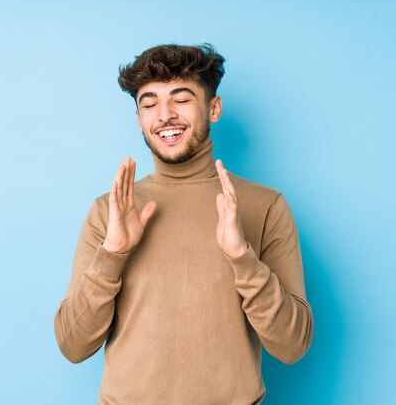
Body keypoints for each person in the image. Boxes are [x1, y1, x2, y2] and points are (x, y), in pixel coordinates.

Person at [54, 43, 313, 404]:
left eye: (181, 99)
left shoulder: (265, 206)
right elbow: (73, 345)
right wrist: (113, 253)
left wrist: (242, 257)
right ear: (139, 119)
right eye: (149, 104)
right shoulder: (110, 212)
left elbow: (292, 345)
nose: (164, 115)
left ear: (214, 108)